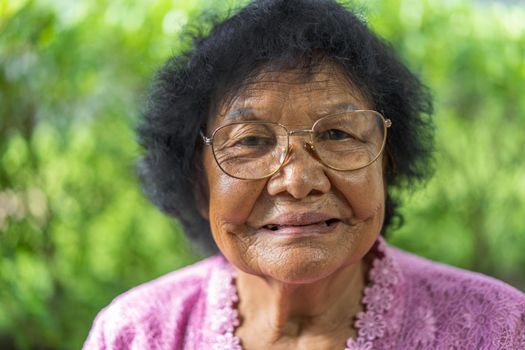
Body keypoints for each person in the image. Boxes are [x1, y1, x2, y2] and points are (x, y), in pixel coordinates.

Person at [83, 0, 525, 349]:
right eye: (251, 141)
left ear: (387, 161)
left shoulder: (496, 328)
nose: (297, 181)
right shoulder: (133, 335)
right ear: (197, 183)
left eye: (337, 133)